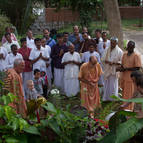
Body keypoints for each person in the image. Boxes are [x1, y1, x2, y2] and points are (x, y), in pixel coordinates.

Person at [118, 41, 141, 111]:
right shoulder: (124, 54)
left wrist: (127, 69)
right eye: (129, 46)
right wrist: (120, 69)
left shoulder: (136, 56)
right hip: (124, 77)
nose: (130, 48)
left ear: (133, 47)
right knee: (124, 94)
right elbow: (122, 64)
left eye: (131, 47)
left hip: (131, 79)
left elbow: (138, 68)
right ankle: (124, 107)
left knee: (130, 94)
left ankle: (129, 109)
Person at [102, 37, 123, 101]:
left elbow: (121, 62)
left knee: (113, 85)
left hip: (114, 70)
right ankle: (106, 98)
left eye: (114, 43)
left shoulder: (119, 51)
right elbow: (102, 59)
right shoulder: (107, 49)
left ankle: (113, 99)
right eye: (111, 43)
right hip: (107, 69)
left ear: (116, 43)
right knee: (106, 84)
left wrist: (114, 63)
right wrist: (107, 61)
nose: (112, 44)